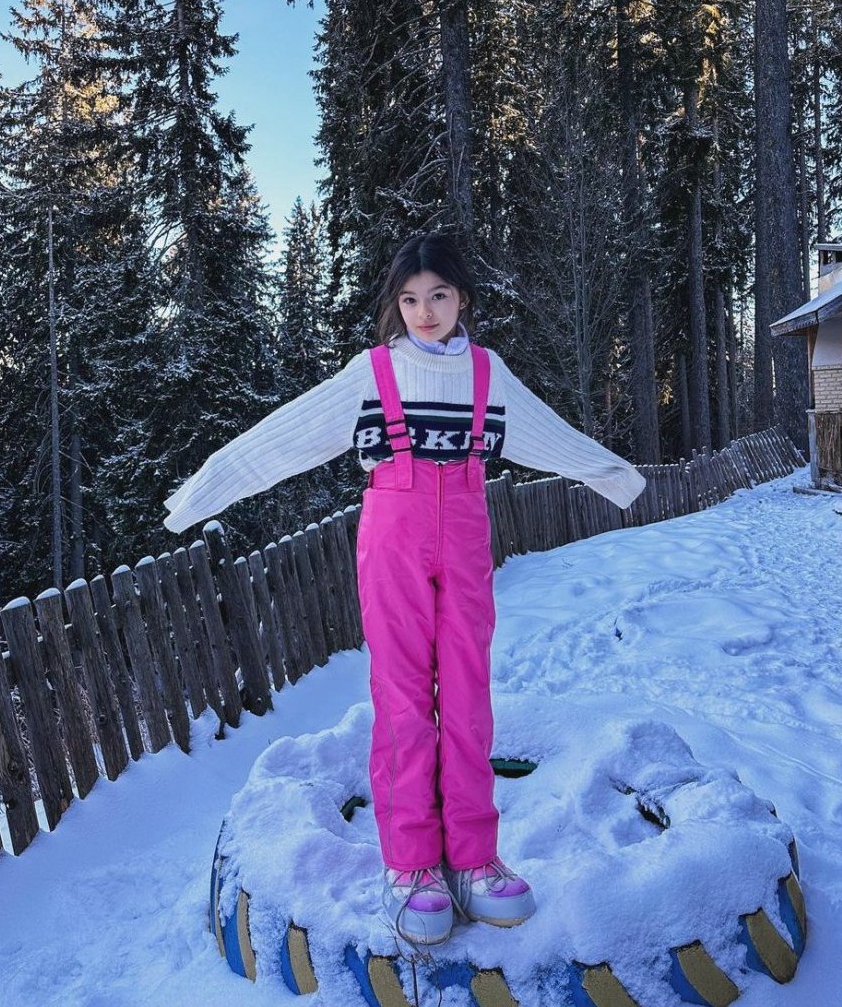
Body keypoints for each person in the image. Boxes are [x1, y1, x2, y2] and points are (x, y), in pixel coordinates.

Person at [163, 230, 647, 948]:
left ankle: (474, 858)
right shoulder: (373, 374)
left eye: (439, 295)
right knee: (402, 695)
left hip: (466, 536)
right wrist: (201, 493)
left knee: (468, 691)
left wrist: (615, 477)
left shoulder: (486, 374)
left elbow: (551, 436)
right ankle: (412, 863)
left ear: (462, 299)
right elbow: (280, 440)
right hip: (392, 535)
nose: (425, 311)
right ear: (396, 304)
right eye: (411, 298)